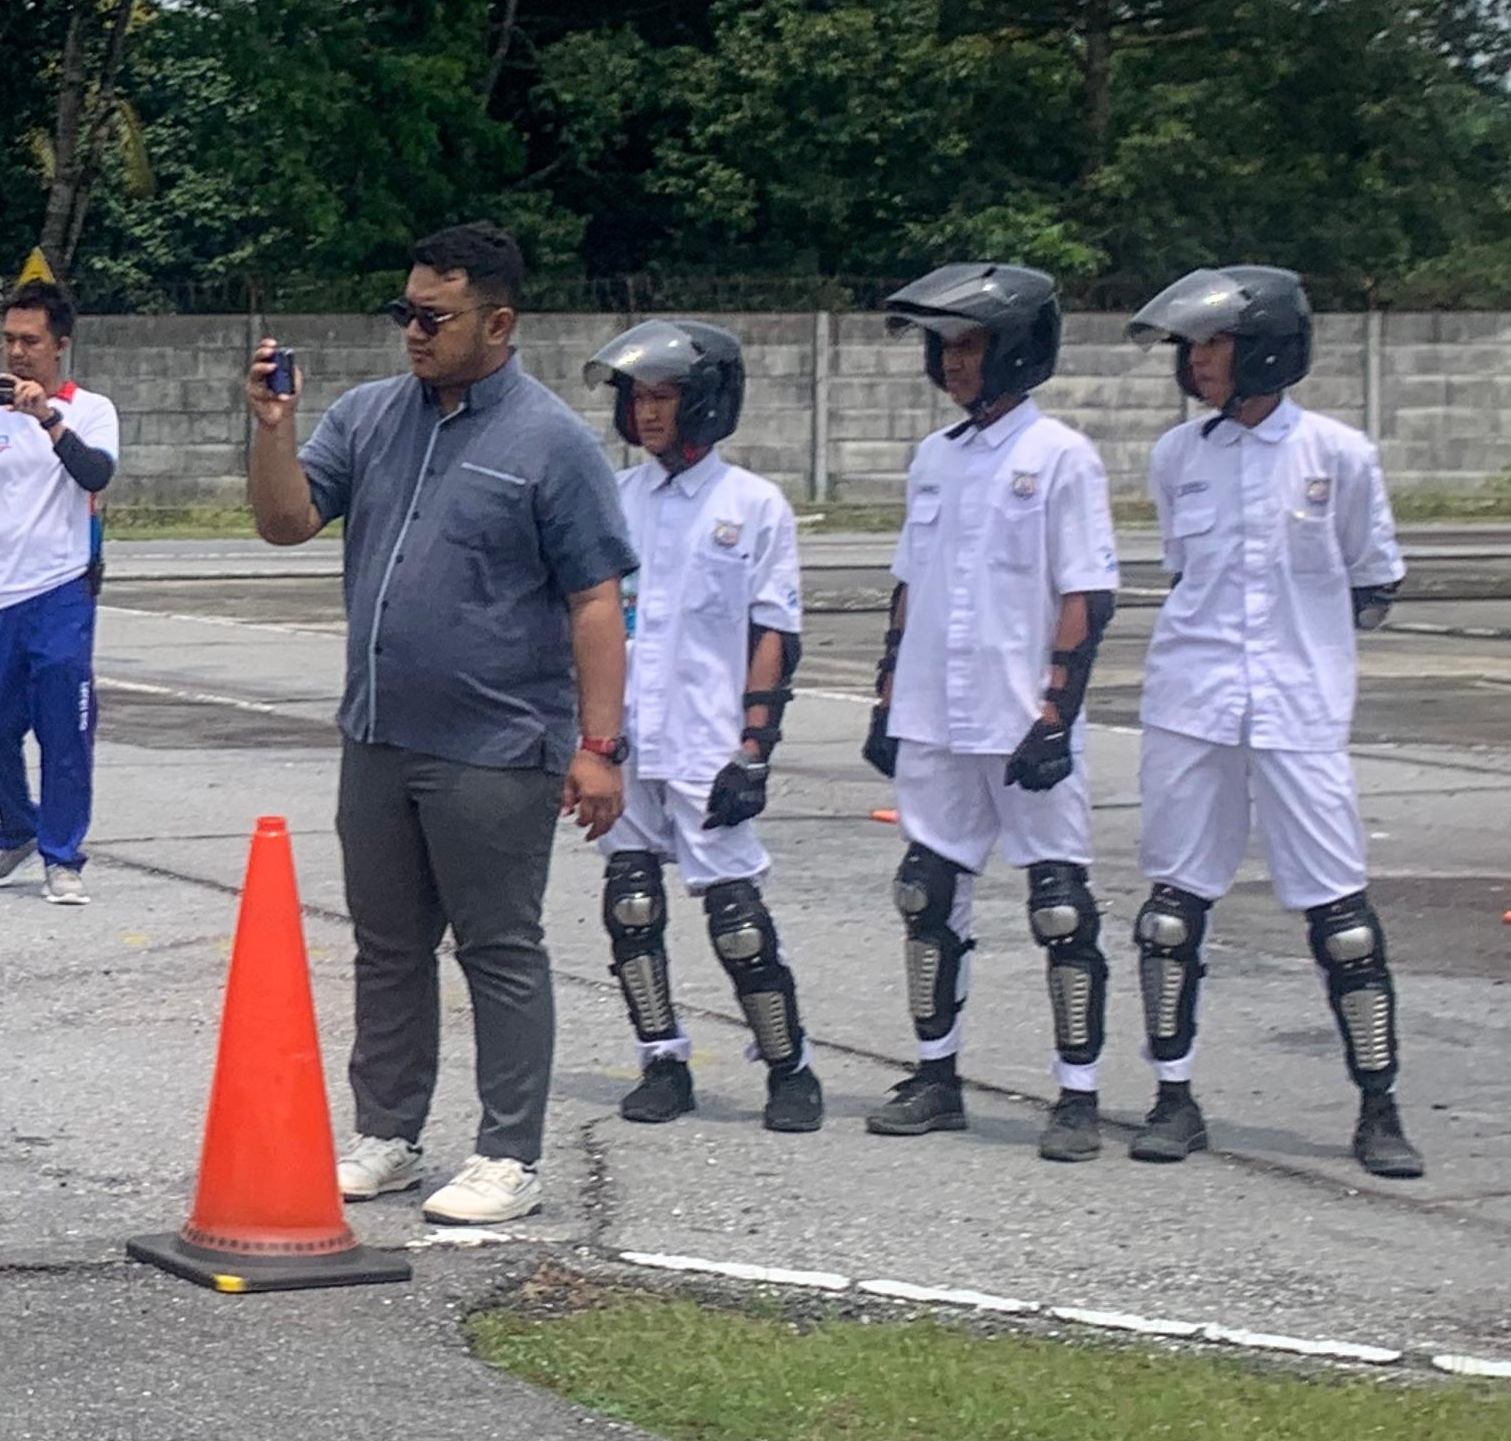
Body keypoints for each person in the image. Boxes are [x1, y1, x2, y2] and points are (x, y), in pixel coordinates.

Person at [246, 223, 635, 1227]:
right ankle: (388, 1131)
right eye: (403, 313)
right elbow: (286, 523)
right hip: (380, 733)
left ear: (498, 323)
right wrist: (274, 429)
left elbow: (596, 600)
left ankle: (509, 1154)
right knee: (387, 946)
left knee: (499, 948)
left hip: (497, 746)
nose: (412, 332)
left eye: (433, 316)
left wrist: (599, 749)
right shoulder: (374, 416)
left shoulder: (550, 441)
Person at [1125, 267, 1421, 1177]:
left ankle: (1379, 1107)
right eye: (1192, 346)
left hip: (1297, 710)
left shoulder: (1338, 455)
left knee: (1343, 919)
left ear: (1266, 348)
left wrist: (1307, 643)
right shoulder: (1178, 458)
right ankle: (1173, 1098)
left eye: (1212, 344)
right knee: (1172, 912)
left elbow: (1373, 577)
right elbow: (1186, 571)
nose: (1198, 362)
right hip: (1192, 705)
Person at [860, 263, 1123, 1158]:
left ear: (1015, 348)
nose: (953, 362)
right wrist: (887, 695)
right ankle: (937, 1076)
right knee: (926, 894)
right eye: (944, 346)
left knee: (1057, 903)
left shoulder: (1060, 457)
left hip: (1021, 721)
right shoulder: (934, 458)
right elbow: (909, 584)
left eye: (968, 343)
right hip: (937, 715)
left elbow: (1087, 593)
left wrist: (1058, 713)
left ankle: (1078, 1094)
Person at [580, 318, 819, 1133]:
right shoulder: (615, 499)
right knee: (632, 907)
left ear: (707, 401)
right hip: (629, 740)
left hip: (708, 744)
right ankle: (662, 1060)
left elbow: (773, 632)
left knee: (739, 923)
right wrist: (589, 739)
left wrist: (755, 750)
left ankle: (789, 1069)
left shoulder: (752, 505)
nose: (647, 413)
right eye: (637, 397)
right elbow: (590, 619)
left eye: (665, 396)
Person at [0, 277, 118, 905]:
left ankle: (62, 856)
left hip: (62, 589)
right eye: (9, 339)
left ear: (59, 345)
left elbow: (97, 473)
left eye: (30, 340)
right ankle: (17, 827)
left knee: (65, 732)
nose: (16, 352)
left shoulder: (91, 409)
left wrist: (49, 420)